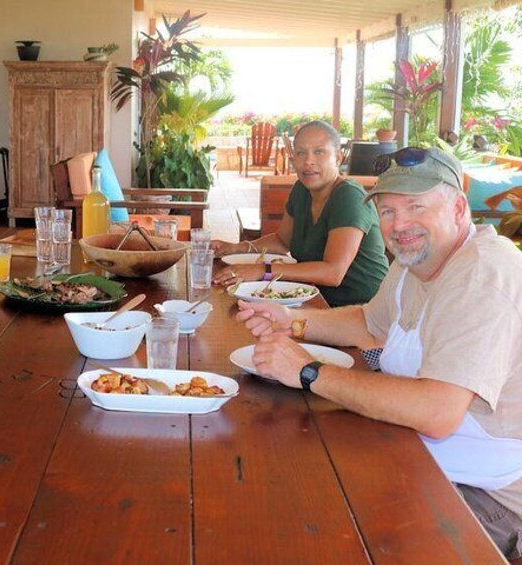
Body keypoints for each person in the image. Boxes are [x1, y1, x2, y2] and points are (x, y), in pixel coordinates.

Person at [237, 147, 522, 559]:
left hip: (486, 495)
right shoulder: (415, 262)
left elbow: (437, 413)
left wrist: (309, 371)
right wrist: (291, 320)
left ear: (459, 207)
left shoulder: (483, 277)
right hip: (415, 454)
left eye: (415, 206)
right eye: (387, 211)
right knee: (284, 483)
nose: (399, 224)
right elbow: (370, 322)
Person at [212, 121, 389, 307]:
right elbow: (282, 241)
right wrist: (235, 248)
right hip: (311, 298)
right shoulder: (302, 190)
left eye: (319, 152)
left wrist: (263, 270)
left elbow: (333, 272)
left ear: (338, 158)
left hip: (363, 309)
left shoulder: (348, 197)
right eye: (300, 153)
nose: (308, 161)